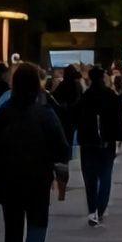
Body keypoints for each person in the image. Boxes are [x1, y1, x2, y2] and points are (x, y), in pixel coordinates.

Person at [0, 62, 69, 242]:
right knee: (37, 224)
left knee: (12, 229)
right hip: (38, 180)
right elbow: (61, 148)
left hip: (7, 180)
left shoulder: (3, 114)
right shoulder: (45, 115)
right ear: (36, 86)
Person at [74, 67, 122, 228]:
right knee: (105, 176)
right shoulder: (111, 96)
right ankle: (101, 209)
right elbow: (119, 116)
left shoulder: (85, 97)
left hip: (88, 142)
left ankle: (92, 210)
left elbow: (77, 117)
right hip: (107, 142)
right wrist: (119, 138)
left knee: (90, 178)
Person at [50, 66, 83, 201]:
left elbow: (54, 100)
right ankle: (63, 186)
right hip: (73, 122)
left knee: (59, 154)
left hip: (61, 122)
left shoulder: (62, 86)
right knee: (66, 152)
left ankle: (59, 185)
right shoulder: (77, 87)